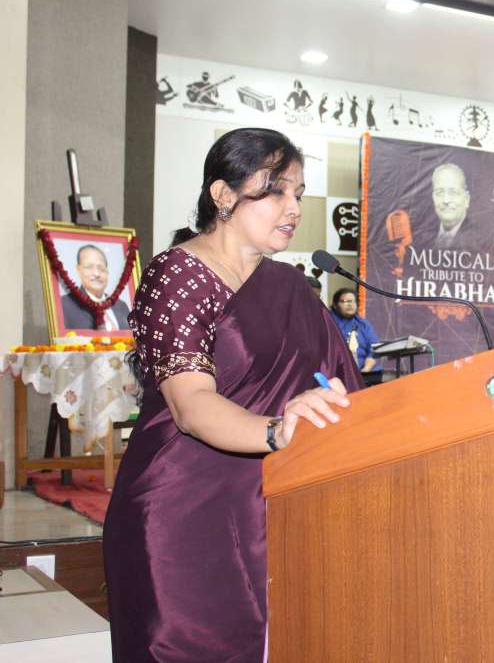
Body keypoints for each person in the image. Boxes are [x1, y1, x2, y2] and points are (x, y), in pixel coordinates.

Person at [103, 128, 363, 662]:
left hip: (271, 512)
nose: (293, 208)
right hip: (180, 519)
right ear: (223, 194)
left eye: (298, 193)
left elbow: (339, 387)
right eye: (275, 190)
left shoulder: (291, 288)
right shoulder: (176, 275)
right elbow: (190, 405)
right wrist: (277, 430)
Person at [60, 244, 131, 331]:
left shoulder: (121, 306)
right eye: (89, 267)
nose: (96, 274)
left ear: (107, 271)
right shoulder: (65, 304)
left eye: (101, 268)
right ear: (79, 270)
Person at [331, 287, 380, 373]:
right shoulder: (329, 322)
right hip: (337, 372)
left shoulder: (363, 324)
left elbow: (374, 349)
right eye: (345, 301)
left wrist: (366, 369)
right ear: (335, 305)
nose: (350, 305)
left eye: (353, 301)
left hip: (366, 372)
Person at [431, 163, 478, 249]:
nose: (446, 200)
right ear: (433, 197)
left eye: (453, 192)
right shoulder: (420, 237)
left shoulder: (482, 241)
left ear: (466, 199)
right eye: (439, 192)